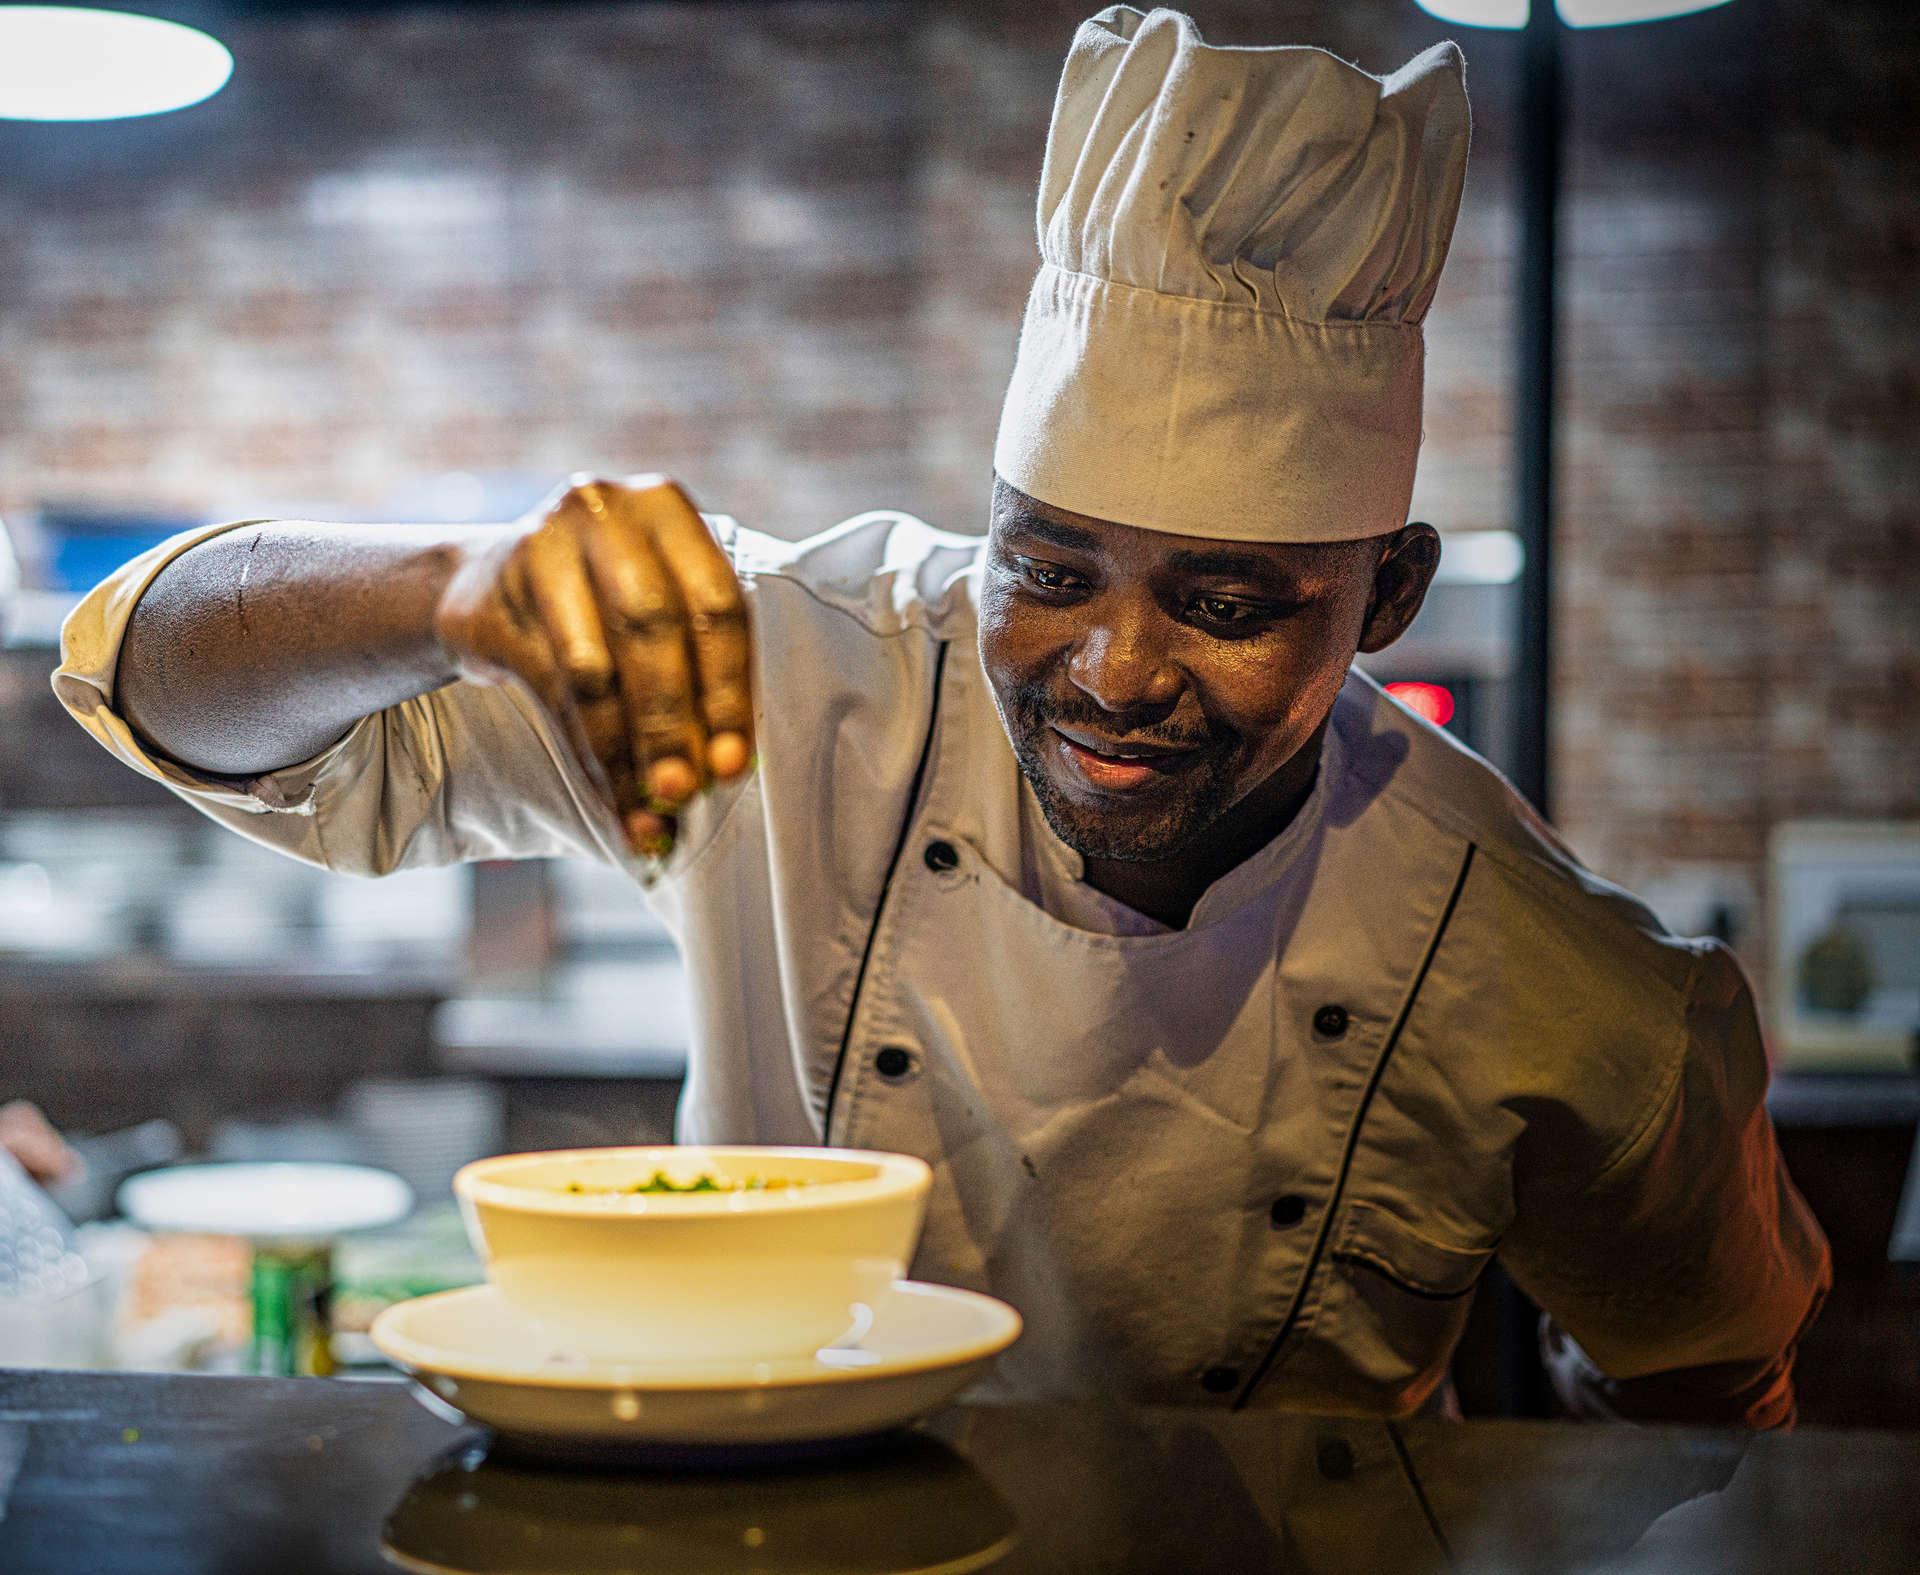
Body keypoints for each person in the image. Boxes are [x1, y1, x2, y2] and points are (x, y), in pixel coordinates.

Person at [55, 7, 1827, 1423]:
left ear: (1388, 597)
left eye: (1225, 606)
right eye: (1050, 569)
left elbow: (1708, 1382)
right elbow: (154, 685)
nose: (1117, 672)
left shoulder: (1546, 971)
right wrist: (441, 584)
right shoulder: (792, 671)